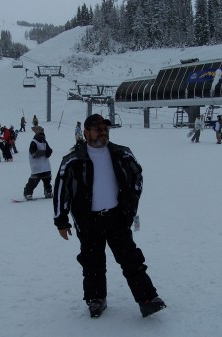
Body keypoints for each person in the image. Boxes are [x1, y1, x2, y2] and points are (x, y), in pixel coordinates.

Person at [53, 114, 166, 318]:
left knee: (131, 259)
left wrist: (131, 203)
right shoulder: (73, 160)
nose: (103, 132)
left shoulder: (122, 153)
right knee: (92, 262)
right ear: (86, 133)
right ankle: (96, 299)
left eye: (106, 128)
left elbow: (137, 176)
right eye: (98, 129)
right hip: (88, 222)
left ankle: (147, 299)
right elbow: (62, 190)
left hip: (117, 218)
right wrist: (61, 221)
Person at [23, 126, 52, 200]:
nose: (42, 135)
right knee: (34, 181)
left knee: (47, 180)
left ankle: (48, 192)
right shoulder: (34, 142)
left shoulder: (44, 142)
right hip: (37, 166)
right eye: (41, 132)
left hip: (45, 166)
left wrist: (49, 151)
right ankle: (27, 193)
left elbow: (48, 152)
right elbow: (34, 154)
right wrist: (44, 152)